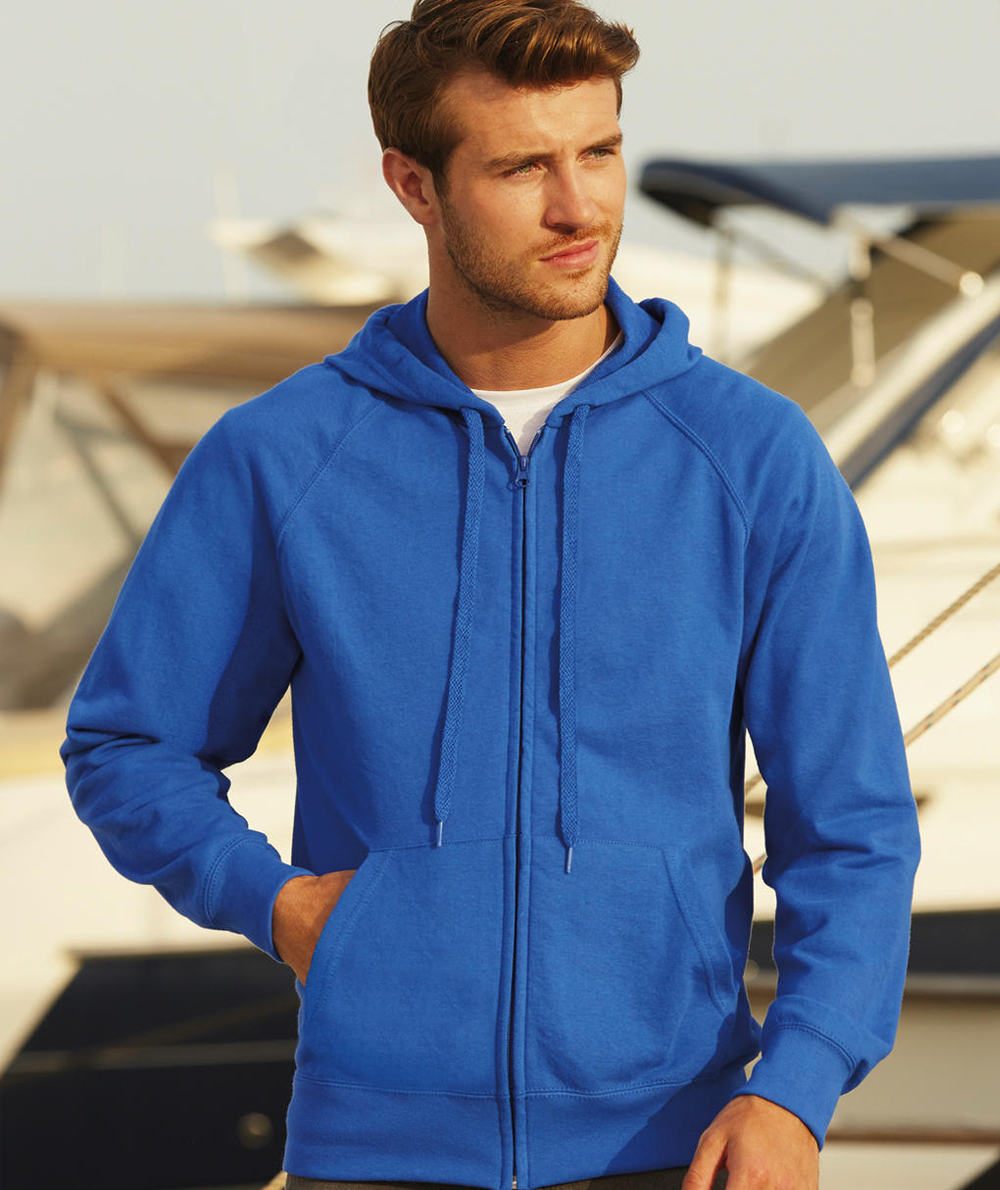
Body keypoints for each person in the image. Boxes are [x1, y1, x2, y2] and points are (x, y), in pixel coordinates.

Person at [60, 2, 921, 1188]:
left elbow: (852, 826)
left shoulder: (750, 456)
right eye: (523, 168)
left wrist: (794, 1088)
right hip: (373, 1150)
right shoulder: (285, 455)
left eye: (599, 152)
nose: (579, 208)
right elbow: (128, 743)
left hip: (668, 1148)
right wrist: (279, 905)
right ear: (413, 185)